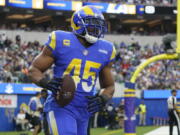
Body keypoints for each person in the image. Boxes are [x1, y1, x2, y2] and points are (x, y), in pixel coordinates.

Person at [28, 5, 116, 135]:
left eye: (99, 25)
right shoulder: (61, 40)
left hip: (85, 111)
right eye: (92, 25)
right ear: (77, 24)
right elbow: (34, 69)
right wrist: (45, 82)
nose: (96, 29)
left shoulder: (106, 49)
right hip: (61, 106)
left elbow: (109, 86)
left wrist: (102, 98)